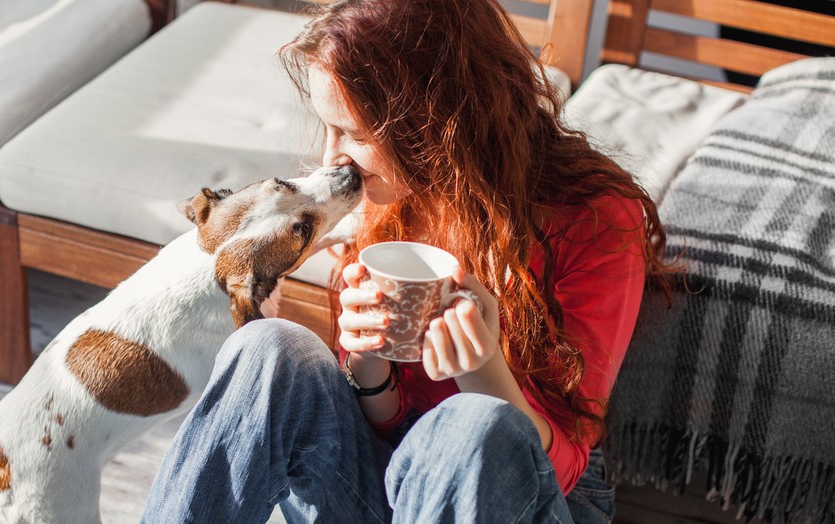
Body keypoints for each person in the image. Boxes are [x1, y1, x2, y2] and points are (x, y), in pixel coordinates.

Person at [141, 0, 676, 522]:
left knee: (471, 425)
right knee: (270, 348)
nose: (332, 159)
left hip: (524, 496)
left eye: (352, 132)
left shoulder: (598, 217)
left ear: (431, 120)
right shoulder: (390, 193)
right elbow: (388, 423)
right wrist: (366, 365)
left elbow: (562, 468)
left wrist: (482, 371)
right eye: (329, 127)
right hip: (393, 471)